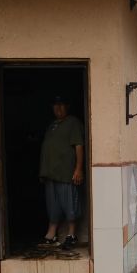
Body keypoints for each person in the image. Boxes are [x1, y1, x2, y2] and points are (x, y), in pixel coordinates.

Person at [38, 95, 85, 251]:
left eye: (61, 105)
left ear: (67, 107)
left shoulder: (73, 123)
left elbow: (78, 146)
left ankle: (71, 235)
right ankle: (51, 235)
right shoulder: (52, 125)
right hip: (51, 173)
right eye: (55, 105)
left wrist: (78, 169)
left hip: (66, 173)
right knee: (53, 205)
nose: (58, 108)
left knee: (69, 203)